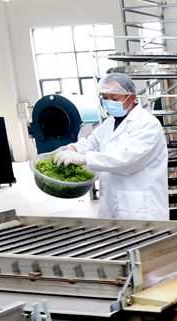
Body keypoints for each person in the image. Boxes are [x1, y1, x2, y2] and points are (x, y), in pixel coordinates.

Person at [53, 73, 168, 220]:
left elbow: (126, 158)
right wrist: (72, 149)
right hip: (111, 203)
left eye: (114, 98)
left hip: (140, 206)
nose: (109, 103)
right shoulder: (109, 124)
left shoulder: (148, 124)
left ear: (131, 97)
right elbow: (91, 142)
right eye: (105, 98)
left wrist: (83, 158)